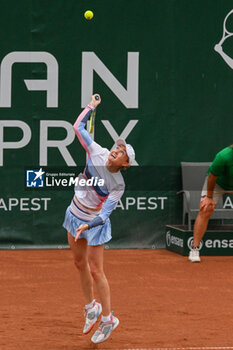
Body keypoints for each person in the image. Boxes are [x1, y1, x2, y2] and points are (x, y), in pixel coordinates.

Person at [63, 94, 135, 343]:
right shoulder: (96, 151)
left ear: (125, 164)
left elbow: (105, 215)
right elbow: (78, 127)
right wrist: (91, 107)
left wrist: (89, 224)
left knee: (96, 270)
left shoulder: (118, 185)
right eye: (117, 147)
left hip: (93, 224)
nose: (116, 150)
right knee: (78, 263)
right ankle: (90, 308)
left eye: (122, 152)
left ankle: (107, 319)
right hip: (74, 214)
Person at [189, 145, 233, 262]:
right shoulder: (223, 156)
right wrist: (208, 197)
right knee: (206, 208)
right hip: (217, 184)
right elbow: (212, 177)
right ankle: (195, 249)